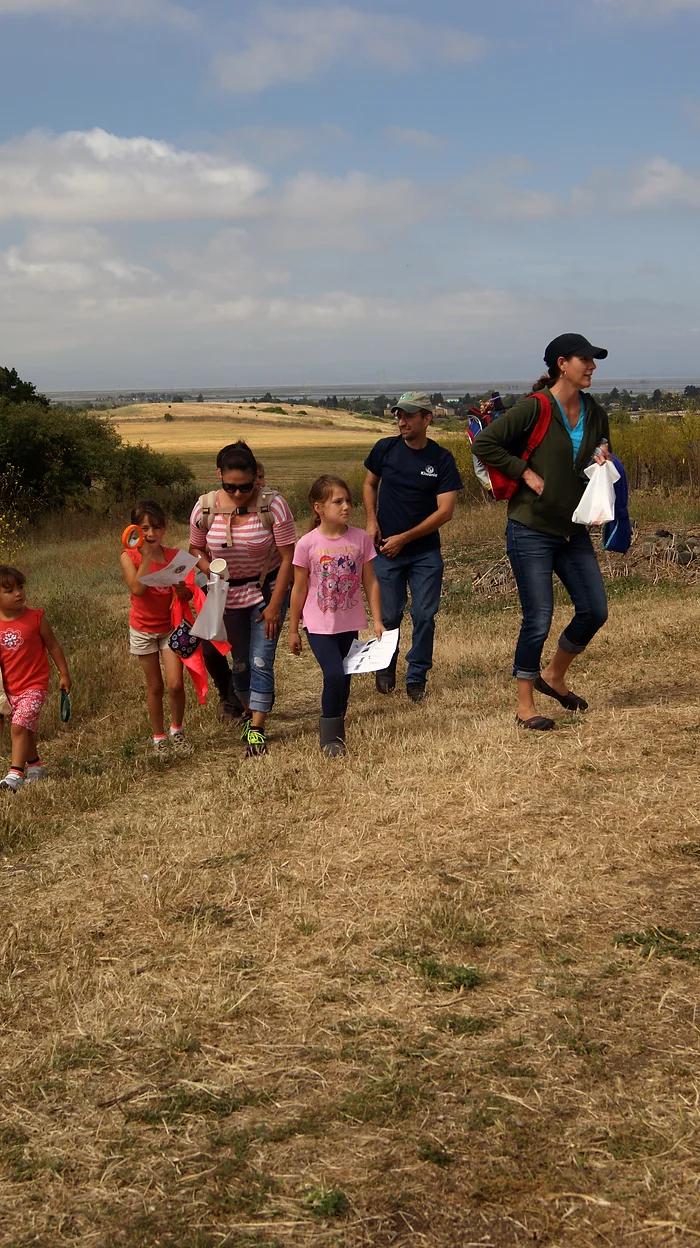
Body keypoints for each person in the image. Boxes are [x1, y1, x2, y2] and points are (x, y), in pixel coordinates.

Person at [472, 333, 612, 730]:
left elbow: (601, 443)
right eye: (585, 359)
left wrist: (603, 454)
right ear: (561, 364)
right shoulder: (535, 408)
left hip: (574, 529)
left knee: (595, 610)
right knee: (538, 617)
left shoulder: (594, 409)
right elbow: (485, 443)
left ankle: (553, 675)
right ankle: (524, 704)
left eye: (594, 360)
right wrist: (525, 472)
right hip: (530, 528)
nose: (592, 366)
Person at [189, 441, 295, 757]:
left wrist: (276, 604)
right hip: (226, 597)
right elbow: (195, 548)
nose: (238, 493)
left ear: (255, 476)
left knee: (262, 660)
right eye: (230, 487)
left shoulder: (274, 506)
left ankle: (258, 730)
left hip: (265, 593)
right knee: (240, 663)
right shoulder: (204, 507)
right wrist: (209, 569)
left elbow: (289, 557)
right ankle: (249, 711)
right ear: (219, 475)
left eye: (246, 486)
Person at [363, 392, 463, 702]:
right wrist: (370, 521)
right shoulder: (385, 449)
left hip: (424, 554)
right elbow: (369, 484)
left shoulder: (441, 459)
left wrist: (404, 538)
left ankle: (416, 676)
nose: (402, 421)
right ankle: (386, 664)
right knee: (390, 615)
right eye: (398, 416)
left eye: (408, 416)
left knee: (423, 615)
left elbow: (445, 511)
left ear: (427, 419)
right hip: (385, 551)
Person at [289, 475, 383, 757]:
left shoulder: (360, 539)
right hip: (318, 625)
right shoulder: (306, 544)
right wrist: (293, 628)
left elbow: (371, 582)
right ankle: (331, 738)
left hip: (349, 623)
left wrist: (378, 620)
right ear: (318, 508)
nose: (346, 507)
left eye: (348, 501)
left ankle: (337, 718)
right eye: (337, 501)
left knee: (345, 677)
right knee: (334, 674)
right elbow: (299, 588)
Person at [120, 500, 193, 754]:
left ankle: (177, 730)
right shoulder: (128, 556)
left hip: (170, 628)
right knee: (155, 686)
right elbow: (138, 589)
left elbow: (187, 597)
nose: (152, 534)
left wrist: (183, 591)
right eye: (145, 528)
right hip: (142, 629)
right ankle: (158, 738)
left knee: (175, 684)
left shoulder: (175, 556)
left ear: (165, 528)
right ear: (134, 531)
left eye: (157, 527)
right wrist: (147, 557)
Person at [0, 564, 71, 791]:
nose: (18, 593)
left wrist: (64, 673)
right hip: (9, 688)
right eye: (9, 591)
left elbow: (54, 646)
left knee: (19, 727)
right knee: (26, 729)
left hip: (34, 685)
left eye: (20, 587)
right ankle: (35, 766)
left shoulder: (36, 617)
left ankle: (15, 774)